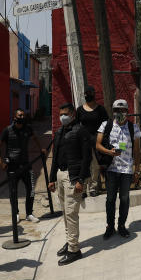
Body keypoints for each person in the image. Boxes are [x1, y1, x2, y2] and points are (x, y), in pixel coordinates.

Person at [48, 102, 93, 265]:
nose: (62, 117)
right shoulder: (60, 132)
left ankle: (74, 250)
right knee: (65, 213)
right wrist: (52, 178)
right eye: (60, 114)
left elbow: (87, 157)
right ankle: (70, 242)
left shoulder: (81, 131)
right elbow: (55, 157)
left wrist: (80, 180)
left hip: (73, 177)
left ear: (73, 114)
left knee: (71, 213)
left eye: (65, 114)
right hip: (60, 175)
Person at [96, 99, 141, 239]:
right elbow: (97, 145)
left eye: (122, 110)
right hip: (111, 168)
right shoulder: (106, 125)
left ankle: (121, 225)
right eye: (116, 110)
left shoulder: (134, 128)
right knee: (110, 199)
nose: (119, 113)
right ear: (113, 111)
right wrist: (109, 152)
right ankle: (110, 226)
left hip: (126, 169)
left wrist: (137, 169)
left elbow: (137, 151)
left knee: (125, 198)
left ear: (127, 111)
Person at [0, 109, 46, 223]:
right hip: (12, 166)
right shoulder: (7, 130)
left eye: (23, 115)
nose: (22, 117)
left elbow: (35, 138)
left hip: (26, 164)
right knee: (13, 192)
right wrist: (0, 162)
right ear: (14, 117)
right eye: (20, 115)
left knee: (31, 189)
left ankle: (29, 213)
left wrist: (41, 149)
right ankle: (16, 213)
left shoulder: (28, 129)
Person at [76, 86, 109, 197]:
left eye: (89, 93)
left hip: (97, 140)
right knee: (84, 164)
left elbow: (106, 124)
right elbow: (76, 126)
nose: (87, 95)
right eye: (85, 93)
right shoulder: (79, 110)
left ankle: (93, 188)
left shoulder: (100, 109)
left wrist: (103, 138)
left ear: (94, 93)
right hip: (83, 141)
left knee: (95, 165)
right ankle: (84, 188)